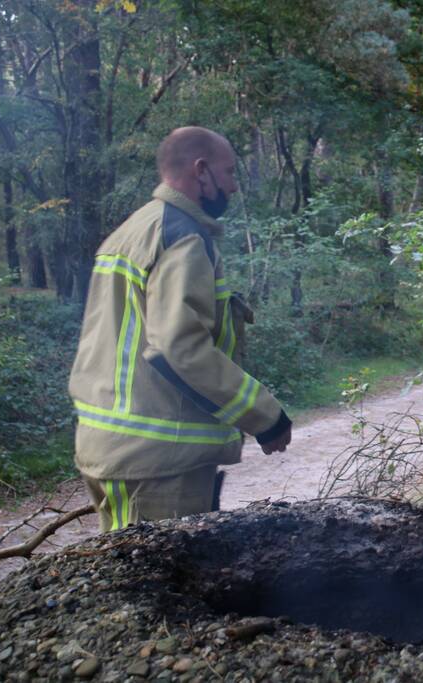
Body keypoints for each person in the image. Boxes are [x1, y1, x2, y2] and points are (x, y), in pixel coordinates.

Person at [69, 126, 293, 532]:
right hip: (158, 461)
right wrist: (266, 417)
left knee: (123, 581)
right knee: (159, 587)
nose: (234, 187)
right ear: (201, 171)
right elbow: (178, 346)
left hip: (108, 447)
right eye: (229, 173)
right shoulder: (182, 237)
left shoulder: (132, 230)